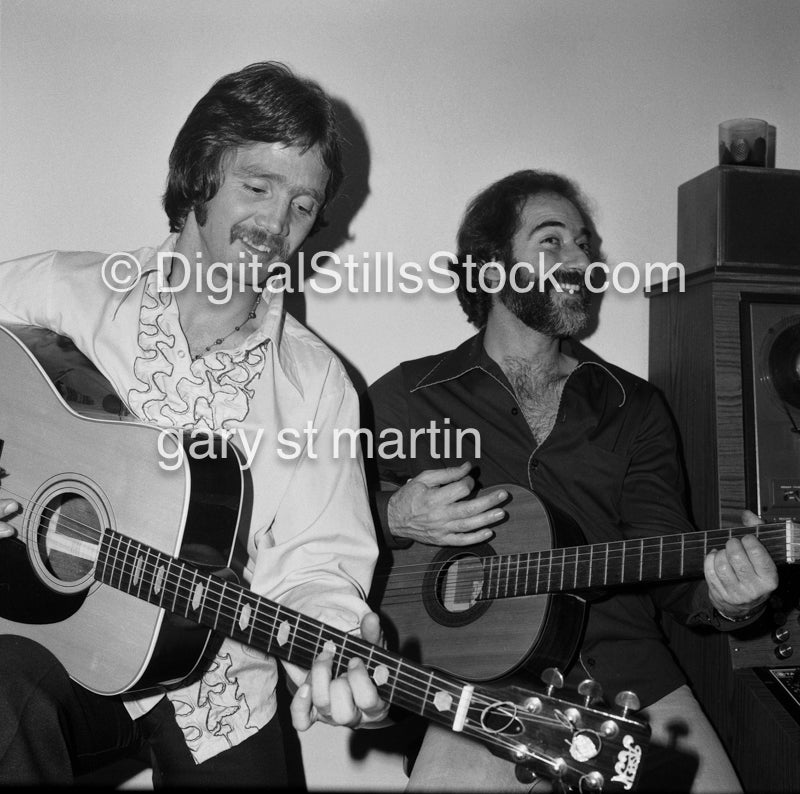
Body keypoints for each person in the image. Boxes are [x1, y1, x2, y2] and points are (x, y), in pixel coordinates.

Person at [0, 61, 388, 786]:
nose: (276, 225)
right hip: (47, 642)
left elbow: (318, 562)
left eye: (303, 205)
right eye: (258, 186)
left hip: (217, 685)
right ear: (200, 174)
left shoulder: (316, 386)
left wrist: (337, 639)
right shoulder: (66, 295)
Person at [365, 169, 778, 792]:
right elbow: (317, 523)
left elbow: (669, 560)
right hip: (476, 694)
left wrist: (727, 600)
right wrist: (394, 515)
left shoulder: (633, 406)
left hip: (629, 679)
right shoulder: (407, 397)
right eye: (552, 240)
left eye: (584, 244)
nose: (579, 259)